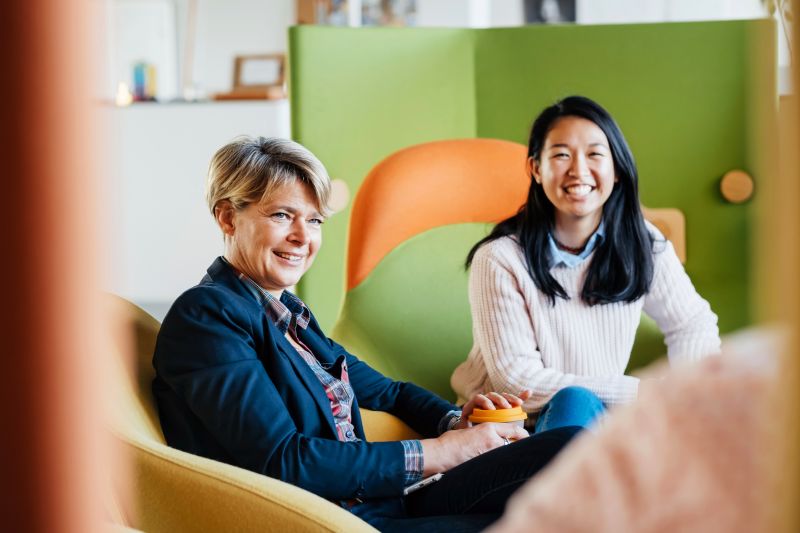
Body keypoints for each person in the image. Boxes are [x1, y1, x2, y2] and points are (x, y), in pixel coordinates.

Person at [152, 136, 580, 533]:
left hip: (386, 502)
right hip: (338, 522)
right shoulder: (207, 317)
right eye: (282, 215)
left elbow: (391, 393)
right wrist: (448, 451)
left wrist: (458, 421)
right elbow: (283, 460)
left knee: (572, 446)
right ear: (228, 216)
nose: (303, 237)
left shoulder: (289, 315)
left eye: (314, 220)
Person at [451, 96, 721, 432]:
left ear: (617, 169)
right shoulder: (499, 258)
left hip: (596, 419)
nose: (578, 170)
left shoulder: (643, 243)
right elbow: (517, 381)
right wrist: (646, 391)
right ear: (536, 169)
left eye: (594, 154)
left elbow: (693, 324)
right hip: (506, 430)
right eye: (561, 154)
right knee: (575, 402)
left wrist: (686, 390)